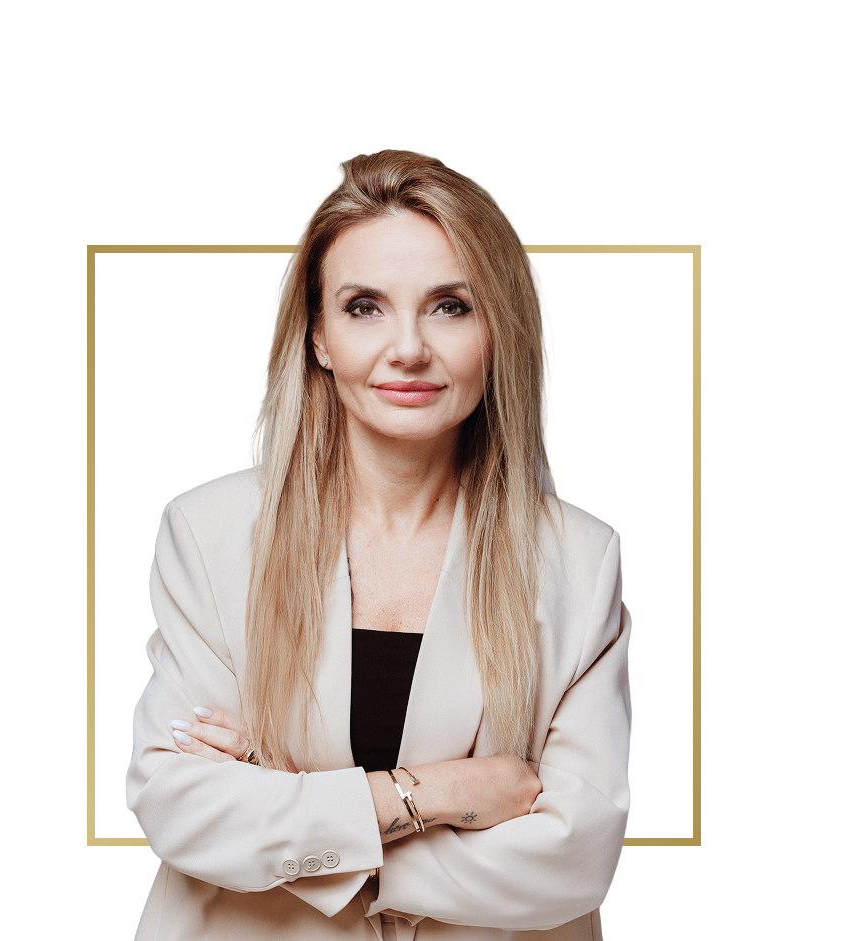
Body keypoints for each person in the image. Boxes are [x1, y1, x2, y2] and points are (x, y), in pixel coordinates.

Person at [126, 149, 632, 941]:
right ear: (318, 336)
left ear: (496, 330)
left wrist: (294, 815)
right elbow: (178, 805)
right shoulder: (209, 531)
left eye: (449, 306)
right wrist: (437, 793)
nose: (408, 348)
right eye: (364, 306)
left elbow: (573, 858)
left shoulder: (579, 557)